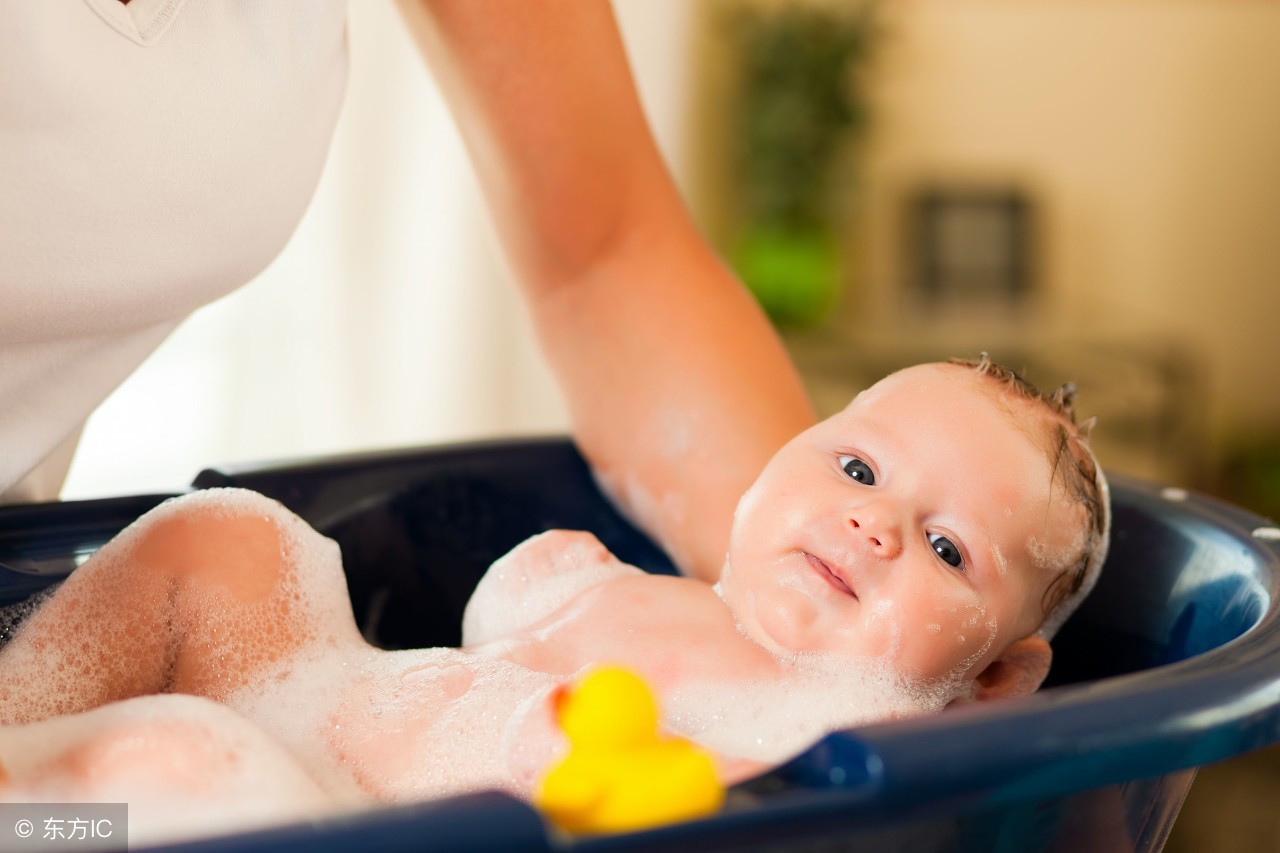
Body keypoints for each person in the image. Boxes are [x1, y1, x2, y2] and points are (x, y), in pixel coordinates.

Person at [0, 355, 1110, 846]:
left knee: (172, 764)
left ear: (992, 680)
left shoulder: (853, 737)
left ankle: (39, 826)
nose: (874, 524)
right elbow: (487, 630)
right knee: (230, 535)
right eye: (857, 471)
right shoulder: (640, 590)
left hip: (336, 828)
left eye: (946, 546)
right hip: (323, 714)